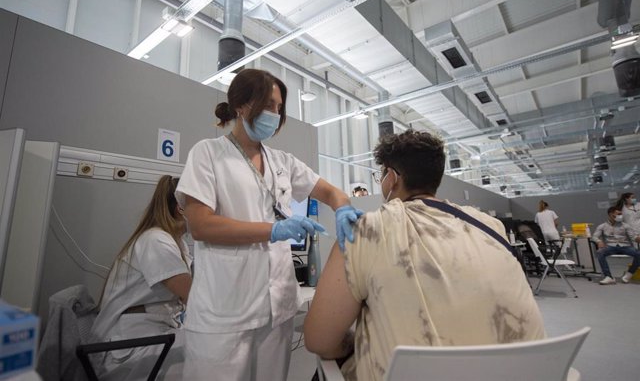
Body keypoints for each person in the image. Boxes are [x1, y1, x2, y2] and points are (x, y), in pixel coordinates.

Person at [304, 130, 545, 381]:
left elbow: (319, 339)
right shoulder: (491, 227)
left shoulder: (365, 231)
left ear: (391, 178)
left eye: (381, 175)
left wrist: (355, 343)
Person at [175, 68, 363, 381]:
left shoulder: (282, 162)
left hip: (277, 310)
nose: (275, 114)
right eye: (268, 106)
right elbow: (201, 226)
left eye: (279, 108)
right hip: (224, 312)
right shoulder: (208, 154)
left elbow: (331, 192)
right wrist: (273, 231)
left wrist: (343, 208)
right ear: (241, 105)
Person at [90, 175, 192, 380]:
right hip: (128, 347)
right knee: (212, 356)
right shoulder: (156, 241)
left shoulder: (175, 242)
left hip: (149, 334)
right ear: (180, 209)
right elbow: (194, 296)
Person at [593, 206, 640, 285]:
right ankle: (608, 277)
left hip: (625, 246)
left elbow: (633, 237)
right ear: (611, 214)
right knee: (600, 252)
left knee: (639, 254)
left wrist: (637, 238)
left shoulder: (625, 225)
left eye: (621, 214)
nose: (620, 216)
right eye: (618, 214)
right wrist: (598, 241)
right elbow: (594, 236)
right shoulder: (602, 226)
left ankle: (629, 274)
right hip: (610, 246)